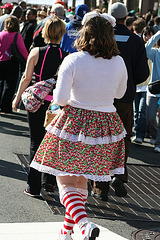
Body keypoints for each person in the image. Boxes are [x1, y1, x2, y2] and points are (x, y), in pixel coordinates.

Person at [29, 12, 128, 240]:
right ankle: (67, 232)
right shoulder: (119, 61)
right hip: (106, 127)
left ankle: (82, 224)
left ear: (85, 33)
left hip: (75, 123)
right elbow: (120, 93)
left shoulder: (73, 60)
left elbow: (61, 98)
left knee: (64, 179)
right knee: (81, 179)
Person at [91, 2, 149, 201]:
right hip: (124, 99)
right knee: (122, 138)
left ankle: (100, 185)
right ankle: (118, 174)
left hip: (100, 98)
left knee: (100, 139)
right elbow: (142, 73)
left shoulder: (99, 38)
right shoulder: (135, 40)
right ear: (127, 18)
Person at [12, 16, 68, 196]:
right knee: (53, 143)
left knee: (35, 142)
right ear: (62, 34)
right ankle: (49, 182)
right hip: (55, 105)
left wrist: (17, 98)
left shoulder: (36, 52)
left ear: (44, 32)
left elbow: (26, 78)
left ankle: (33, 186)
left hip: (36, 102)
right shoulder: (66, 57)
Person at [0, 16, 28, 113]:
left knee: (1, 84)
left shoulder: (1, 34)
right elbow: (23, 50)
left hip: (1, 61)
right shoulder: (17, 35)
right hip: (12, 62)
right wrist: (29, 60)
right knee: (10, 86)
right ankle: (5, 107)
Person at [145, 30, 160, 153]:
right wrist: (158, 33)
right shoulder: (156, 53)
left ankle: (159, 142)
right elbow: (146, 48)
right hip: (154, 90)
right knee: (150, 117)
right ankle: (155, 136)